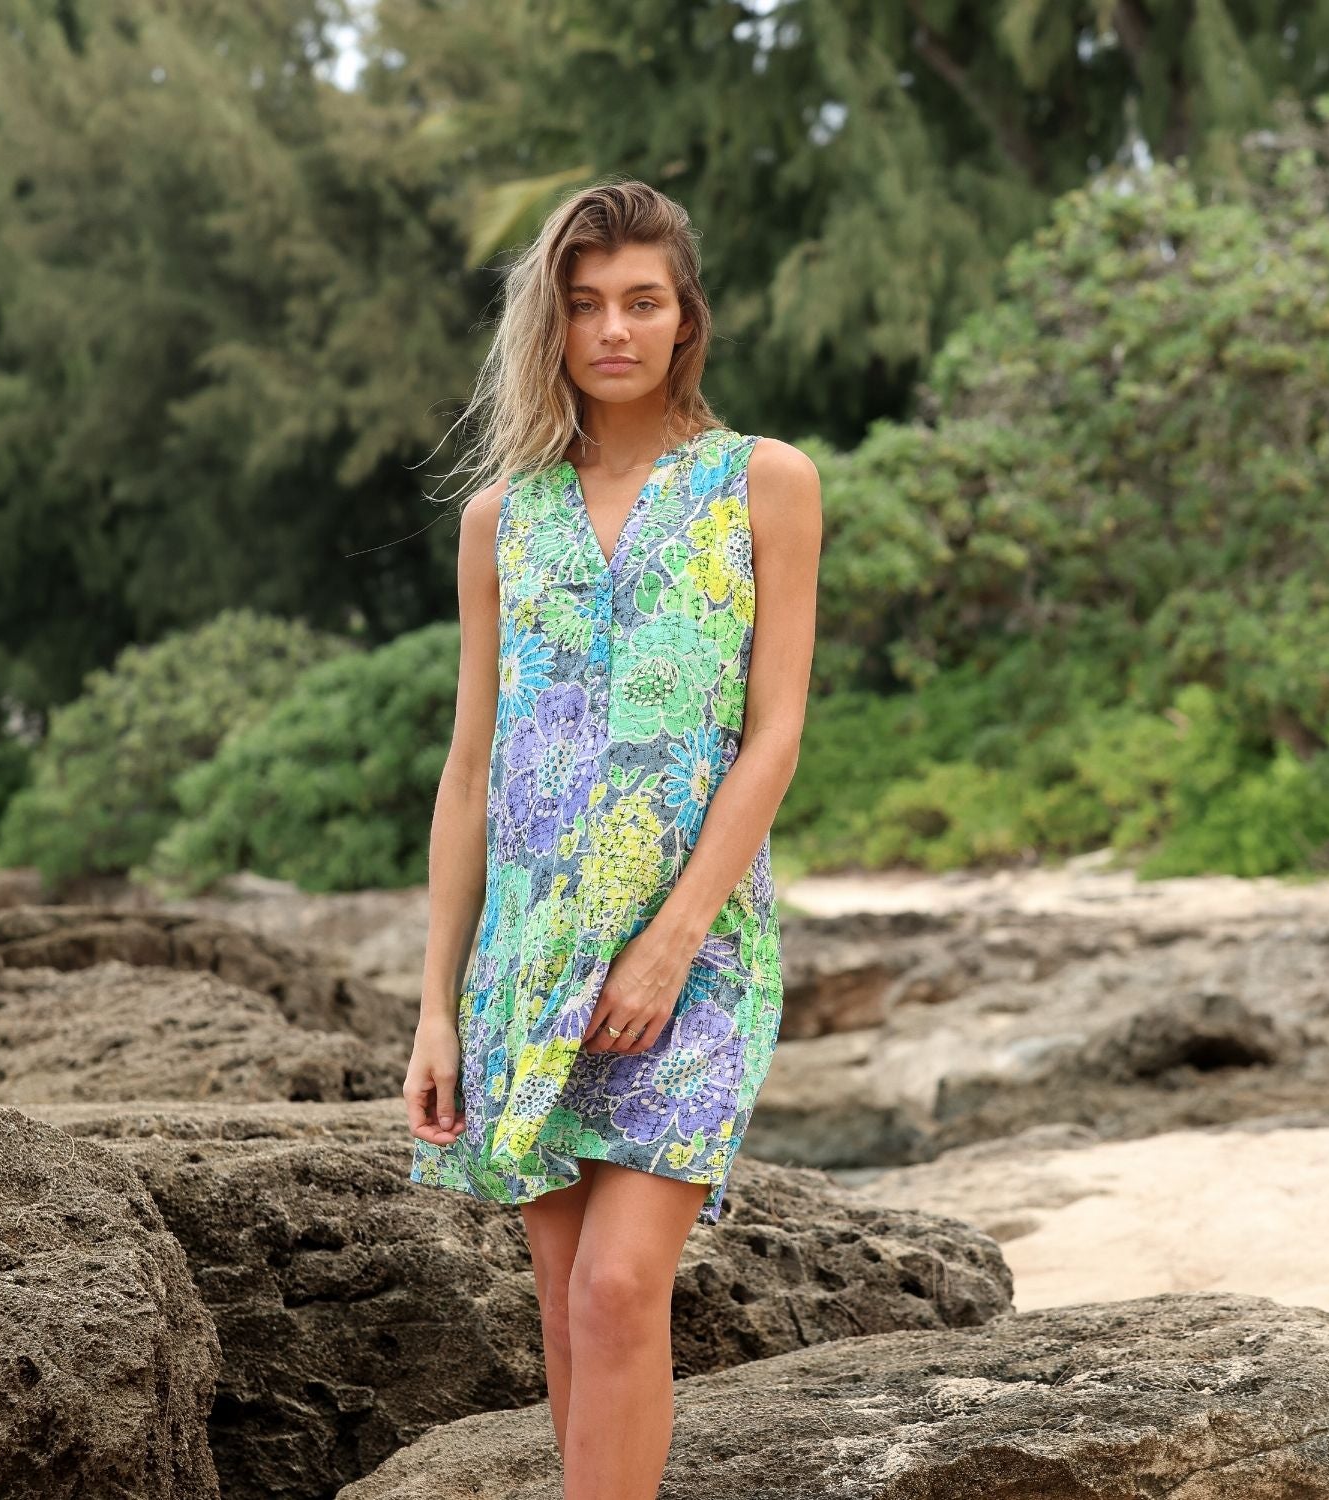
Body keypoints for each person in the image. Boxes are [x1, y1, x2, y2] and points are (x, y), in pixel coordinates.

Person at [403, 178, 821, 1499]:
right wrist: (434, 1009)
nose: (614, 329)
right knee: (572, 1305)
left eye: (642, 300)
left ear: (687, 315)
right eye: (585, 306)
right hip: (528, 956)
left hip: (693, 950)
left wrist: (672, 938)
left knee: (626, 1283)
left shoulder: (765, 482)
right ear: (554, 325)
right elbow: (470, 768)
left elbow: (775, 732)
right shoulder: (500, 519)